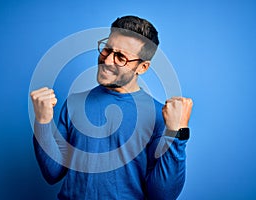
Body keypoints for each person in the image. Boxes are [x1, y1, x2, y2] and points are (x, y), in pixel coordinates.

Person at [30, 15, 193, 200]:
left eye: (121, 57)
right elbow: (53, 173)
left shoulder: (158, 116)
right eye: (107, 50)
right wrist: (42, 121)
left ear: (143, 67)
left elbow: (162, 195)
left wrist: (177, 133)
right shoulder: (74, 103)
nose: (107, 61)